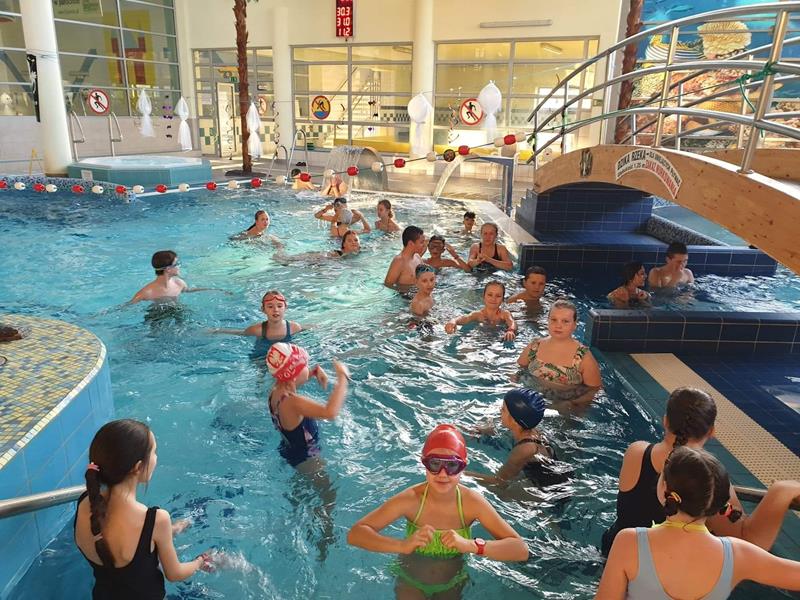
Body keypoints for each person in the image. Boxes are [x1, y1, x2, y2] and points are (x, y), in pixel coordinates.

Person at [600, 386, 800, 557]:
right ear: (712, 431)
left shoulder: (636, 452)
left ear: (665, 421)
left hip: (614, 553)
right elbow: (749, 545)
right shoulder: (708, 477)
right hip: (659, 569)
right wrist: (780, 492)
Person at [347, 425, 529, 597]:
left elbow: (520, 549)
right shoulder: (410, 500)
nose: (443, 474)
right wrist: (402, 545)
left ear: (463, 466)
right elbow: (356, 534)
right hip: (410, 581)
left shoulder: (472, 503)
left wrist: (470, 545)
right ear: (424, 463)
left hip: (452, 583)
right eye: (435, 463)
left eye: (452, 465)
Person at [597, 446, 800, 599]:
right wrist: (782, 491)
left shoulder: (629, 542)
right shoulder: (737, 554)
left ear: (664, 489)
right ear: (719, 503)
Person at [74, 419, 211, 599]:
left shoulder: (85, 503)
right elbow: (175, 574)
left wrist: (169, 531)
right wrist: (199, 562)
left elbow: (122, 538)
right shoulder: (156, 519)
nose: (156, 458)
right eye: (154, 452)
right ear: (138, 467)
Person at [466, 389, 571, 488]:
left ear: (514, 420)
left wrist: (463, 475)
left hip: (550, 491)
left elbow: (499, 482)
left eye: (503, 409)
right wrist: (487, 430)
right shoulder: (531, 429)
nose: (499, 410)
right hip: (559, 475)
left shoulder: (524, 449)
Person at [267, 342, 349, 467]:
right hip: (307, 458)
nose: (307, 367)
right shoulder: (293, 402)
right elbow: (330, 412)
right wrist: (343, 377)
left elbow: (291, 380)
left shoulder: (275, 392)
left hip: (289, 448)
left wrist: (313, 372)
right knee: (323, 481)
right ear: (294, 375)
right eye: (305, 365)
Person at [517, 299, 602, 404]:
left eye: (565, 321)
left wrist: (571, 404)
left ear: (575, 325)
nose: (558, 325)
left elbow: (595, 391)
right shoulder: (534, 347)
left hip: (564, 405)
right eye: (554, 320)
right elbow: (518, 370)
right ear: (548, 321)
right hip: (531, 400)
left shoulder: (583, 357)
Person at [209, 290, 303, 349]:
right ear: (263, 309)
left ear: (285, 308)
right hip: (261, 356)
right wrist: (217, 331)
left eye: (279, 306)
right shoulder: (257, 330)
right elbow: (240, 333)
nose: (275, 310)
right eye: (270, 306)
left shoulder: (294, 328)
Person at [129, 251, 225, 304]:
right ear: (168, 269)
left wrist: (213, 290)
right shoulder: (147, 292)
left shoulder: (179, 283)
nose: (179, 266)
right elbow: (128, 306)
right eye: (177, 264)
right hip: (157, 318)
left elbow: (189, 290)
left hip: (178, 312)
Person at [445, 280, 517, 342]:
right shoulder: (478, 314)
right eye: (490, 295)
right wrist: (454, 321)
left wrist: (511, 330)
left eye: (498, 296)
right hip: (481, 337)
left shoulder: (504, 314)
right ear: (484, 296)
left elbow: (512, 322)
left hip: (500, 338)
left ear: (503, 299)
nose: (493, 299)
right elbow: (466, 318)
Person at [272, 231, 361, 265]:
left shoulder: (361, 250)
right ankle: (279, 246)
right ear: (344, 244)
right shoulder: (337, 253)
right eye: (350, 241)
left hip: (321, 262)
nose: (354, 242)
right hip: (317, 257)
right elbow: (324, 256)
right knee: (284, 260)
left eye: (356, 240)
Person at [384, 226, 426, 290]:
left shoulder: (417, 257)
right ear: (411, 243)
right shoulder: (399, 261)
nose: (424, 245)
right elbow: (387, 284)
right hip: (405, 296)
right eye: (421, 242)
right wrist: (408, 291)